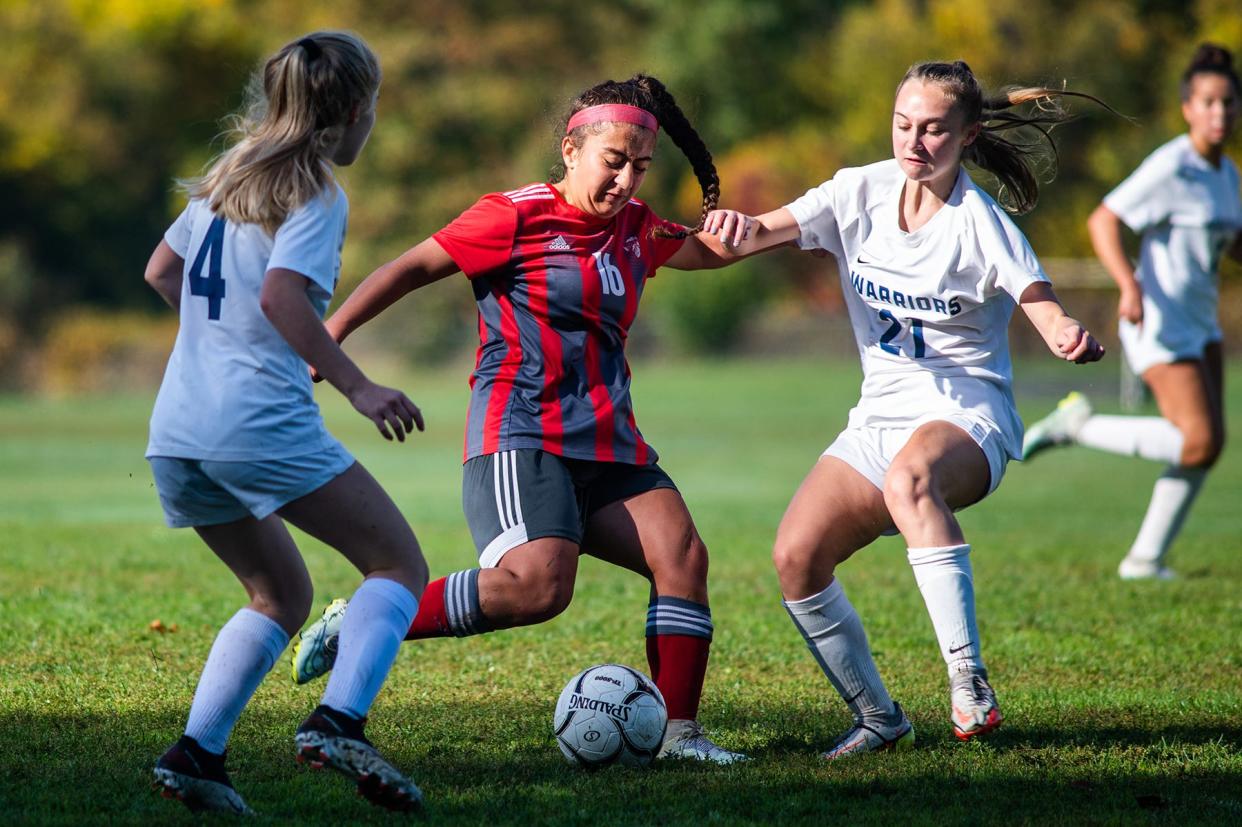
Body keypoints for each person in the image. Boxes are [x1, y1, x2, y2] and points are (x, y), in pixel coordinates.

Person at [290, 74, 748, 763]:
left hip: (611, 443)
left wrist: (816, 221)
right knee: (536, 588)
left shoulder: (637, 227)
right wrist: (330, 343)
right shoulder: (515, 214)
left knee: (680, 555)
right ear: (571, 149)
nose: (626, 180)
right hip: (522, 434)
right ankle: (364, 616)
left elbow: (712, 249)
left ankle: (680, 734)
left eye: (641, 167)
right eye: (613, 162)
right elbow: (409, 267)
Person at [702, 60, 1105, 757]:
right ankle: (878, 718)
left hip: (969, 417)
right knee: (796, 556)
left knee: (911, 479)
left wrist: (1065, 332)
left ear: (967, 136)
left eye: (934, 131)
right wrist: (679, 236)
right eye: (904, 125)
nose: (914, 142)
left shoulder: (978, 223)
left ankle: (968, 683)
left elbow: (1039, 301)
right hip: (877, 419)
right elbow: (753, 235)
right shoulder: (858, 191)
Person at [144, 31, 431, 813]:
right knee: (398, 565)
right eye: (375, 106)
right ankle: (339, 721)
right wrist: (357, 385)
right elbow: (280, 298)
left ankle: (197, 752)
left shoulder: (222, 179)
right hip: (255, 422)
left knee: (279, 593)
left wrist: (214, 344)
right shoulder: (315, 190)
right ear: (352, 112)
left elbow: (161, 271)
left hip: (176, 430)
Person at [1024, 43, 1241, 580]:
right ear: (1188, 108)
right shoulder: (1173, 166)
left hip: (1200, 321)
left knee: (1207, 445)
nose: (1219, 113)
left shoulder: (1228, 174)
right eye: (1208, 102)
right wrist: (1128, 286)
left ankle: (1145, 559)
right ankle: (1078, 427)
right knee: (1200, 439)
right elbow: (1103, 220)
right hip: (1158, 322)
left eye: (1229, 103)